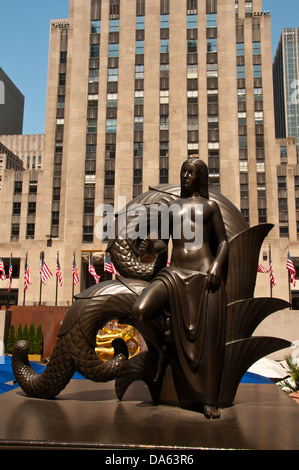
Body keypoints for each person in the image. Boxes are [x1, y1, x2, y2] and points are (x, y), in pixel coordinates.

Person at [131, 158, 229, 418]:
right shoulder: (172, 208)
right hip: (174, 273)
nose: (185, 176)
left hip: (204, 276)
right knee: (139, 311)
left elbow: (223, 243)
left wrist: (217, 266)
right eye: (183, 171)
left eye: (191, 172)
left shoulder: (210, 206)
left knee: (206, 342)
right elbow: (163, 244)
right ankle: (161, 350)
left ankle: (209, 400)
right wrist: (151, 247)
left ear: (201, 177)